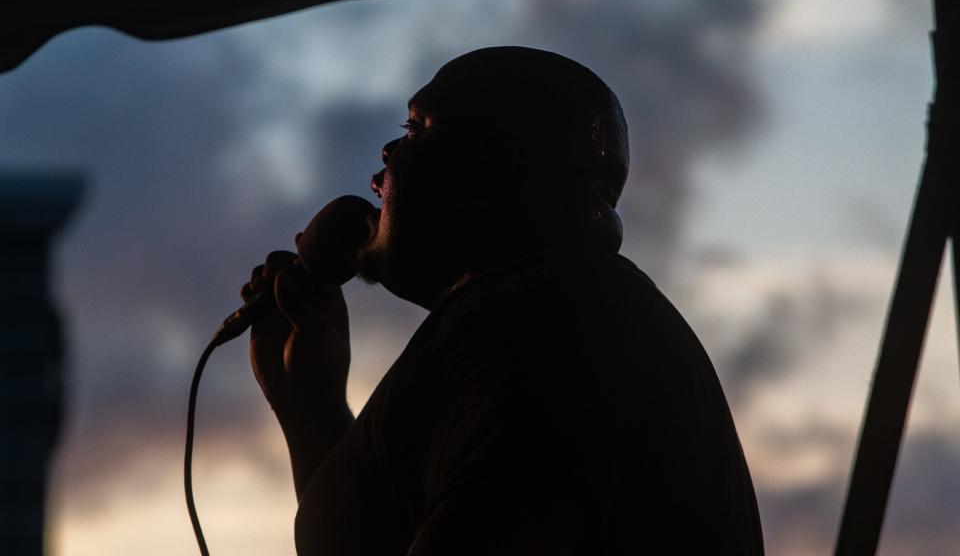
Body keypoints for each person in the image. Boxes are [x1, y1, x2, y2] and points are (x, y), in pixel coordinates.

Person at [241, 46, 764, 554]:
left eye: (415, 129)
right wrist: (310, 401)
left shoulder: (539, 331)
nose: (387, 153)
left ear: (488, 167)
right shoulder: (544, 313)